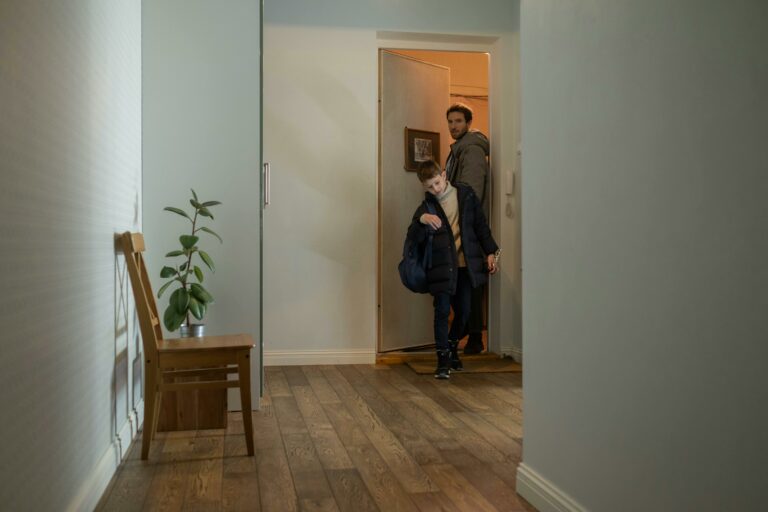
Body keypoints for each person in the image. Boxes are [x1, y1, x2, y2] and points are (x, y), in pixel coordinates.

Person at [405, 159, 499, 379]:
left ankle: (452, 346)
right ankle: (443, 361)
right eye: (429, 187)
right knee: (442, 312)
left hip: (465, 267)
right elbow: (412, 237)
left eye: (437, 183)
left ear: (444, 176)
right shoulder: (427, 207)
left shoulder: (466, 195)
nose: (435, 190)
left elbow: (480, 226)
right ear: (424, 187)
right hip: (440, 268)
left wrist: (490, 251)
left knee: (464, 312)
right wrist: (422, 220)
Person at [445, 102, 493, 354]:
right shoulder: (459, 149)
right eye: (450, 121)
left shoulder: (471, 149)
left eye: (458, 121)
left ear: (469, 123)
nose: (453, 126)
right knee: (463, 278)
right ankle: (468, 331)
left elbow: (470, 192)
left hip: (468, 225)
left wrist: (459, 221)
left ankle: (474, 336)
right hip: (462, 222)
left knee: (471, 279)